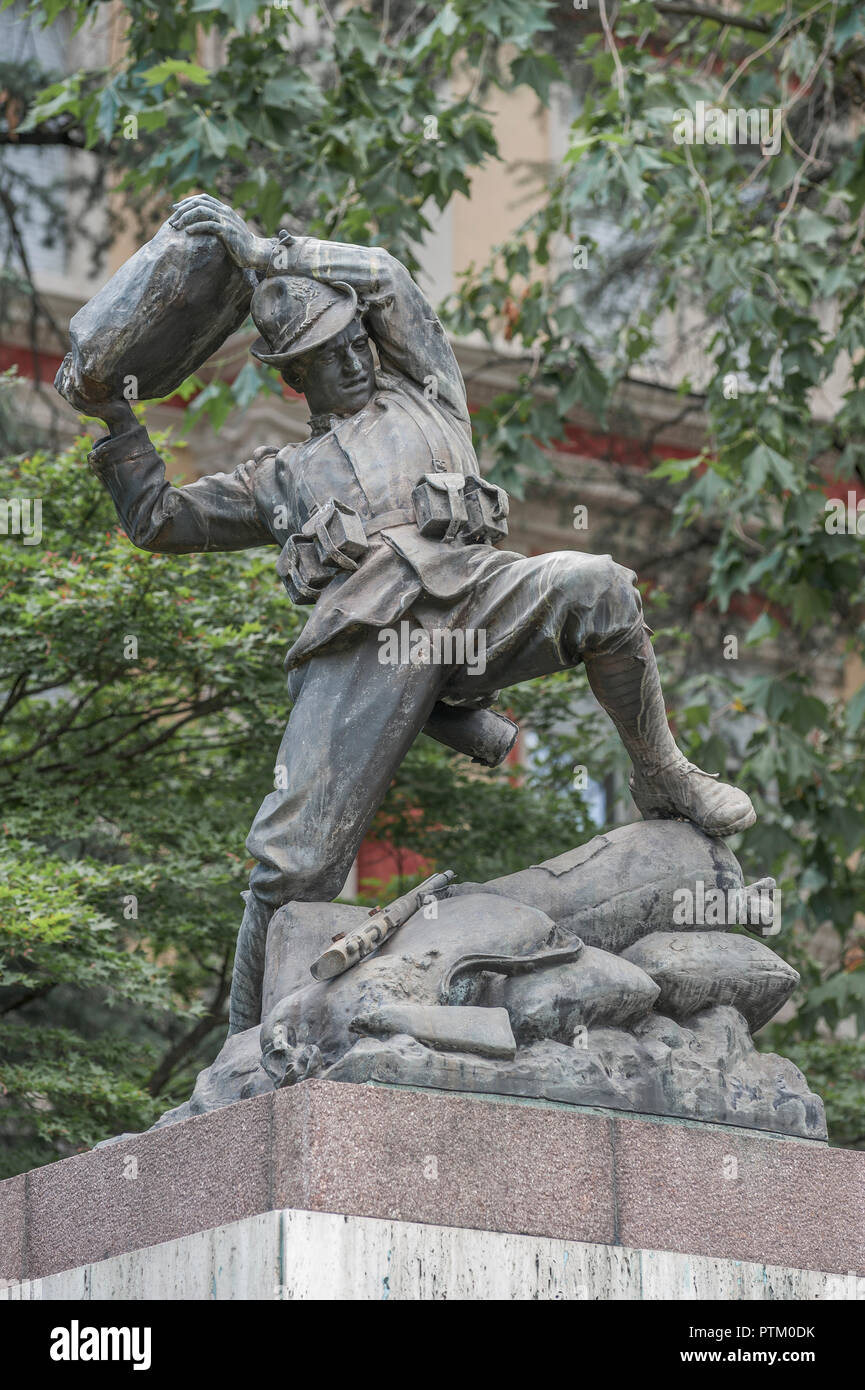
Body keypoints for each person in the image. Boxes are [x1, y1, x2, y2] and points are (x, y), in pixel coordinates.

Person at [83, 193, 755, 1035]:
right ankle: (245, 1045)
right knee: (292, 864)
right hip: (366, 644)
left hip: (475, 596)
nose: (355, 359)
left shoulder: (430, 394)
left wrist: (267, 251)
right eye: (329, 356)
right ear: (295, 378)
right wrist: (117, 421)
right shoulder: (281, 476)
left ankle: (659, 768)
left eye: (356, 341)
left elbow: (389, 276)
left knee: (600, 585)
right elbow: (160, 522)